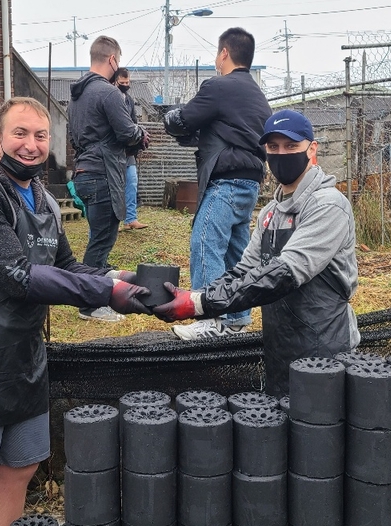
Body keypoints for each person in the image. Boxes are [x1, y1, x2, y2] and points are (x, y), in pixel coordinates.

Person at [0, 97, 150, 526]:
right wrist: (106, 292)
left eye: (40, 136)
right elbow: (19, 276)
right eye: (20, 133)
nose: (31, 145)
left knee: (17, 469)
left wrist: (122, 276)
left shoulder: (42, 199)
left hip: (20, 351)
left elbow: (65, 268)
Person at [153, 109, 359, 397]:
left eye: (291, 146)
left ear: (312, 149)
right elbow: (244, 271)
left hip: (325, 348)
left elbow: (285, 273)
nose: (281, 154)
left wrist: (201, 304)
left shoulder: (328, 206)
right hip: (279, 344)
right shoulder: (270, 213)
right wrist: (196, 296)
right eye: (273, 147)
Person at [163, 27, 272, 339]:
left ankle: (209, 317)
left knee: (205, 242)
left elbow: (184, 119)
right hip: (250, 183)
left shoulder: (219, 87)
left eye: (216, 53)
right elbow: (224, 131)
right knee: (235, 255)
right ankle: (237, 316)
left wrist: (170, 119)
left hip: (225, 182)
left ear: (224, 53)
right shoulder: (257, 95)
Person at [69, 36, 149, 322]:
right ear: (113, 59)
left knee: (98, 235)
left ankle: (99, 274)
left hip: (83, 173)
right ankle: (90, 304)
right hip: (103, 173)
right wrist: (141, 135)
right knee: (101, 238)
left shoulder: (76, 96)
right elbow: (128, 132)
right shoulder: (109, 93)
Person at [116, 67, 148, 231]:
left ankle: (130, 219)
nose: (125, 85)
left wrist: (139, 138)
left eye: (127, 82)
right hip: (114, 151)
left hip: (128, 151)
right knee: (115, 187)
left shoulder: (128, 99)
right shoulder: (110, 98)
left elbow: (134, 122)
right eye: (122, 83)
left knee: (132, 182)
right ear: (115, 81)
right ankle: (115, 222)